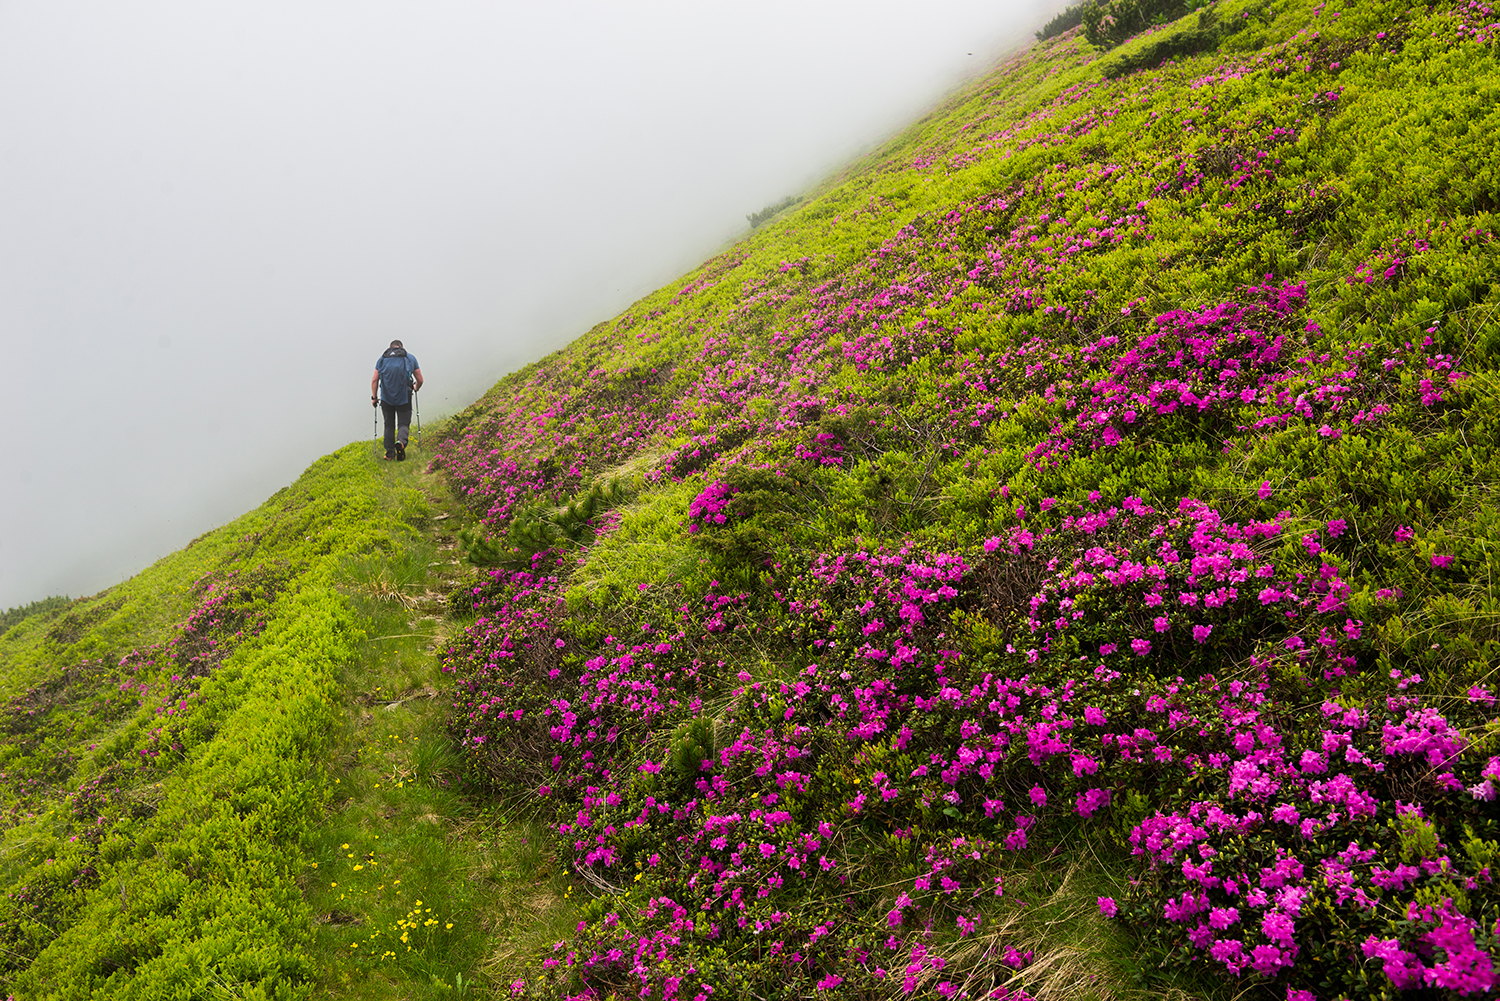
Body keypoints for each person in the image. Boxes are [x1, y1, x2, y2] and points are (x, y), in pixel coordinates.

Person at [371, 340, 423, 460]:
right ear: (401, 347)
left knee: (389, 425)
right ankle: (401, 443)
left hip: (386, 398)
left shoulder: (382, 359)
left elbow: (374, 380)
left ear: (390, 348)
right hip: (404, 396)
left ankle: (390, 454)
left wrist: (374, 398)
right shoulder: (409, 358)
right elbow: (420, 379)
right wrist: (415, 388)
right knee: (403, 423)